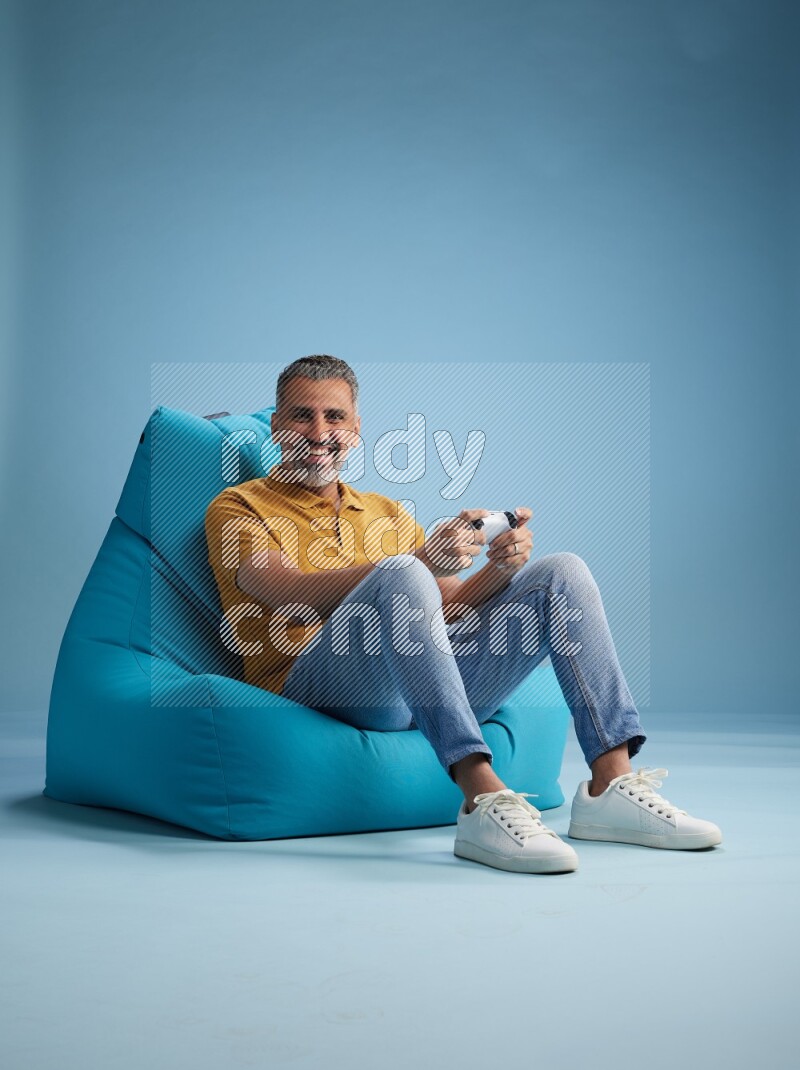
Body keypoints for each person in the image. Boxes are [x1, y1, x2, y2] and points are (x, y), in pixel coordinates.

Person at [205, 355, 722, 874]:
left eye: (335, 417)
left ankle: (610, 782)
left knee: (561, 572)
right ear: (276, 425)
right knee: (404, 572)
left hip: (415, 688)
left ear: (357, 429)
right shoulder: (237, 506)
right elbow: (281, 588)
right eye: (301, 415)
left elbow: (448, 605)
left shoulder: (385, 511)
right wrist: (418, 563)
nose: (320, 432)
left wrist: (498, 567)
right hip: (319, 688)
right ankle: (481, 799)